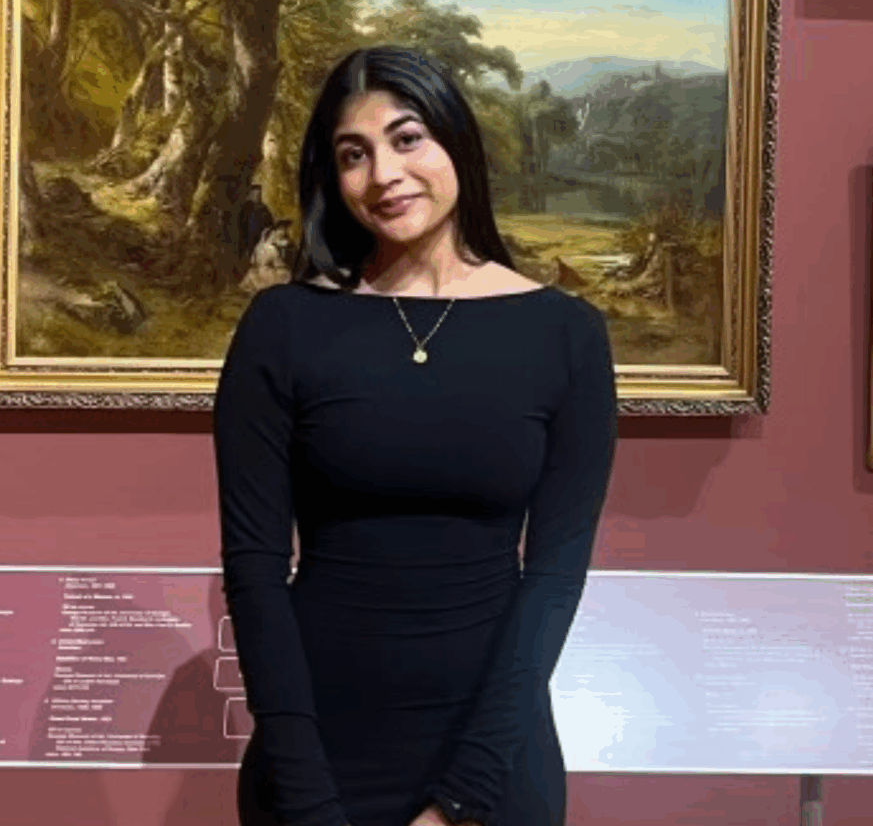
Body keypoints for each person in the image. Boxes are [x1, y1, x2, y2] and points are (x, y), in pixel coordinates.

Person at [214, 47, 617, 826]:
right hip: (316, 754)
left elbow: (555, 577)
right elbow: (254, 570)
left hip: (491, 756)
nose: (383, 175)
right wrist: (305, 798)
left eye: (407, 139)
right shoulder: (284, 326)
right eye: (352, 155)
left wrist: (463, 796)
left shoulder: (564, 334)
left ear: (455, 142)